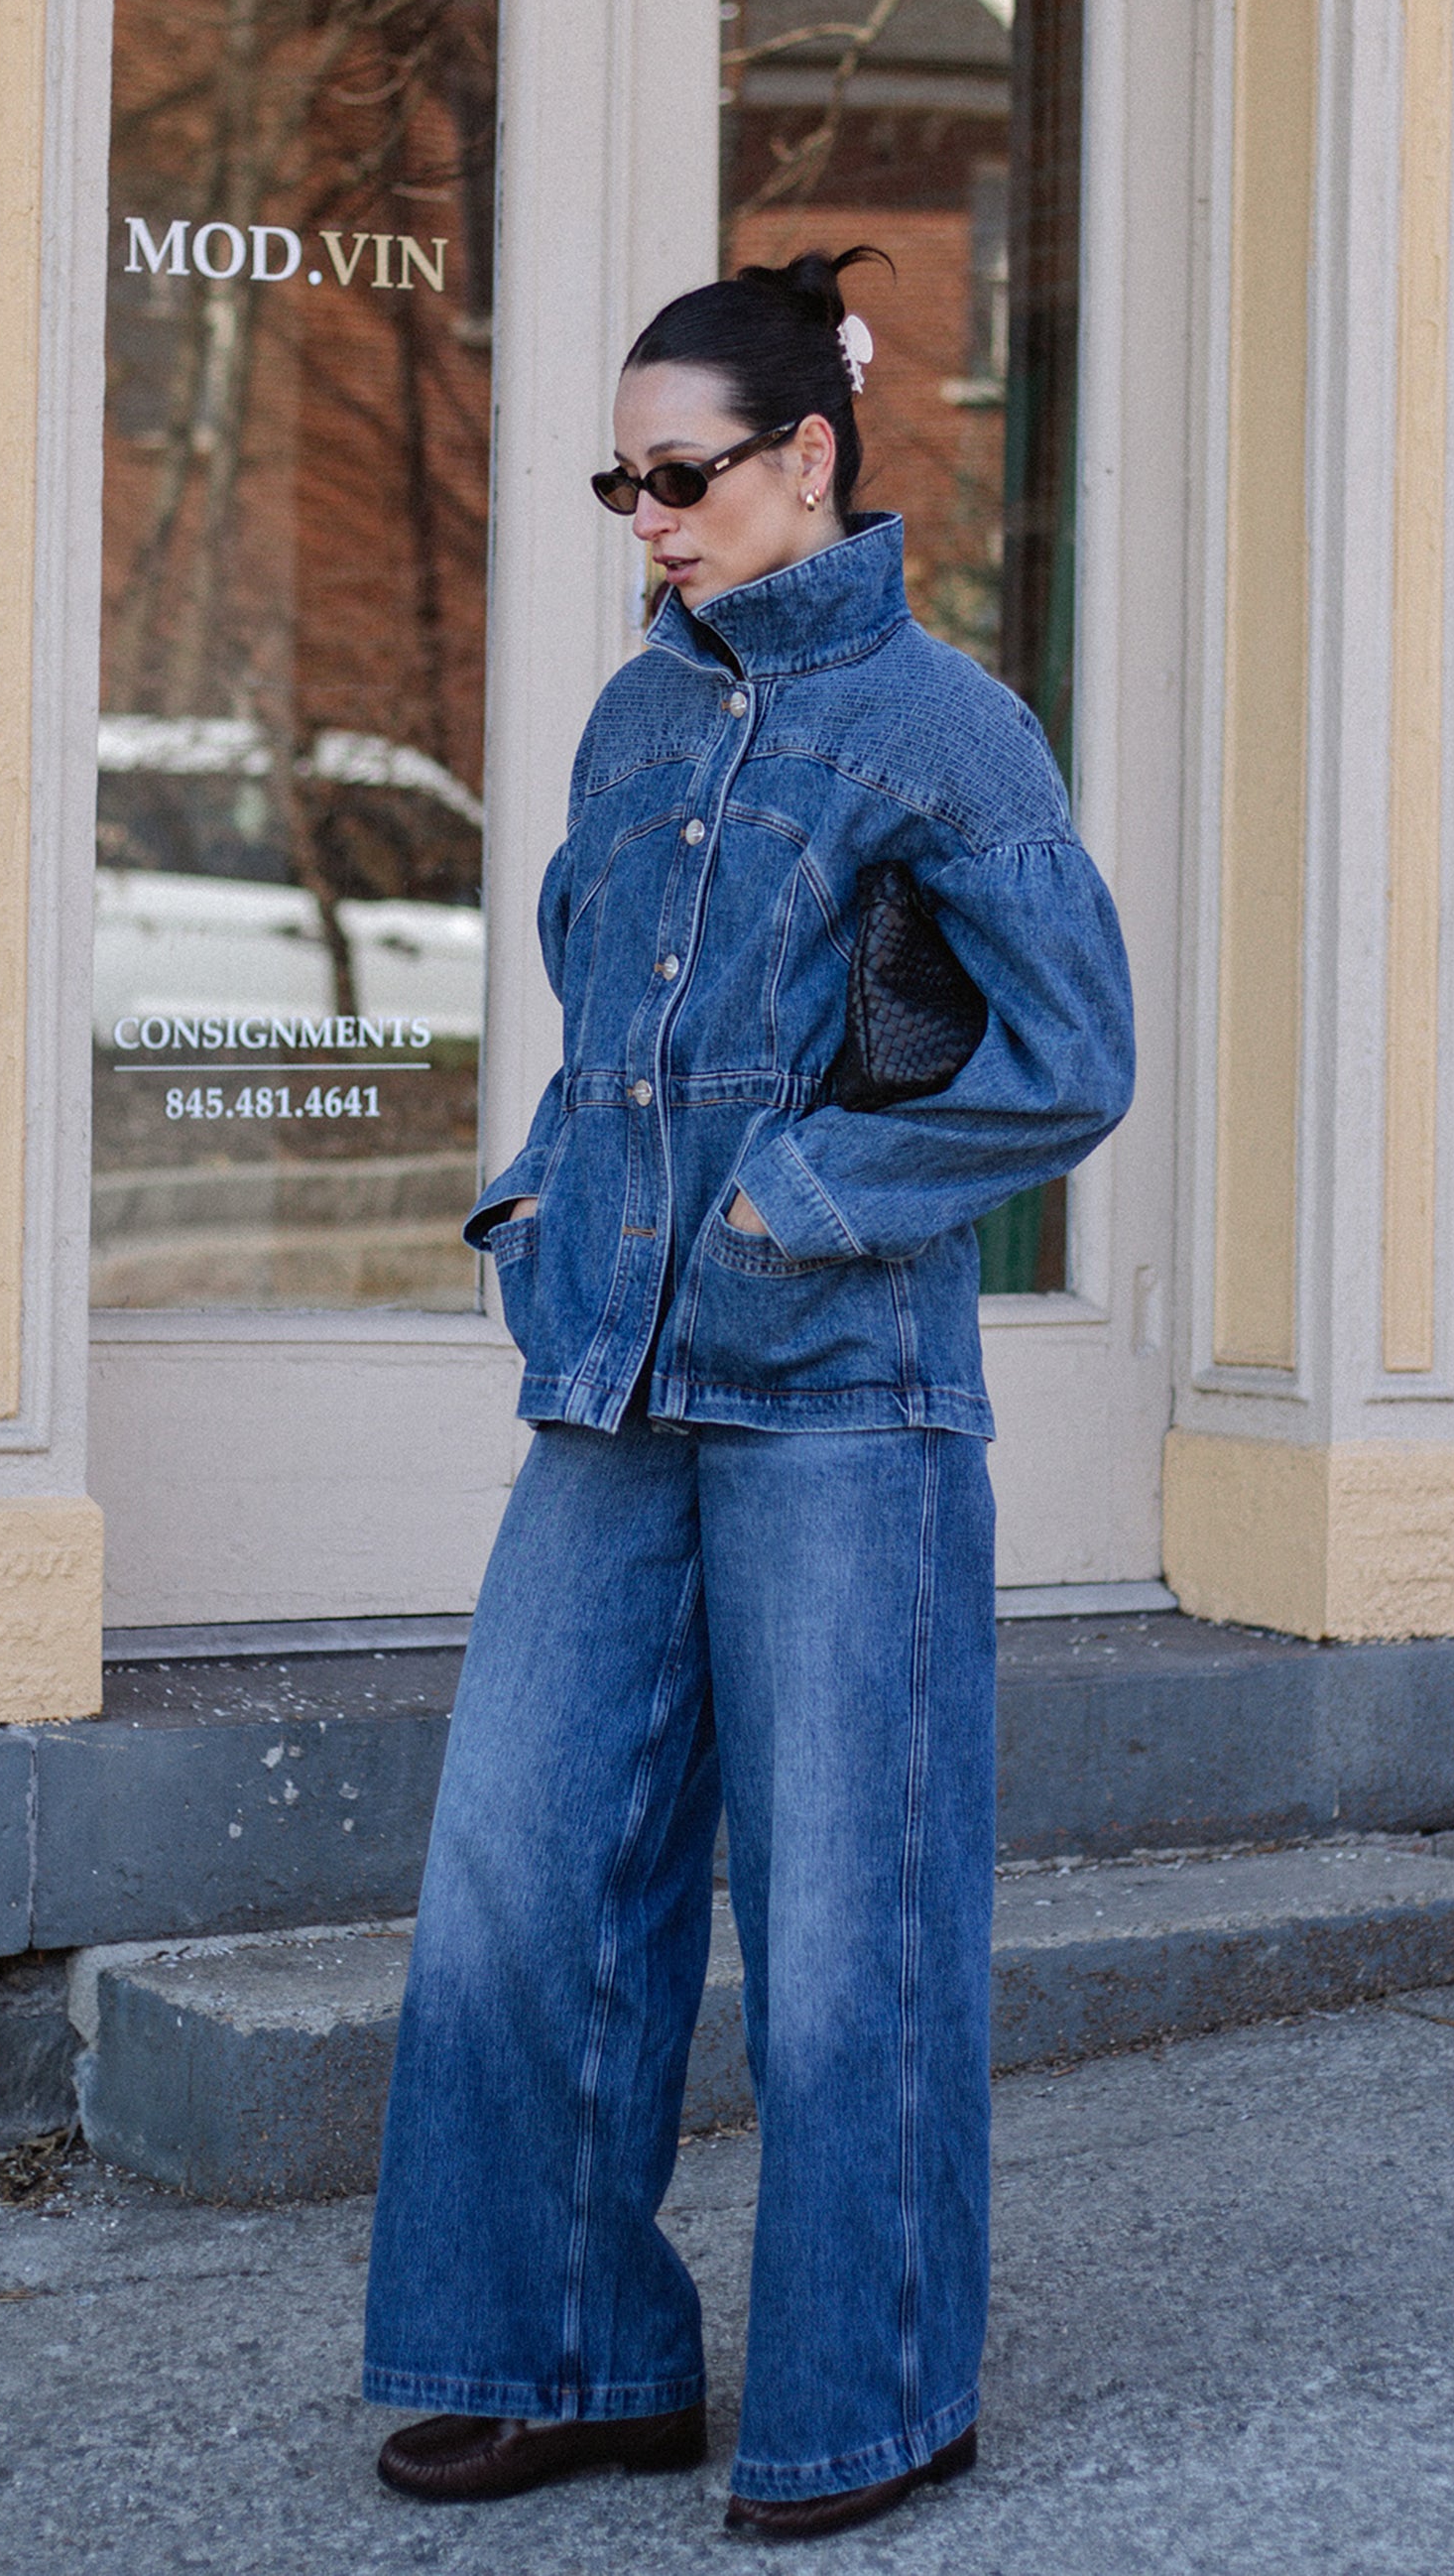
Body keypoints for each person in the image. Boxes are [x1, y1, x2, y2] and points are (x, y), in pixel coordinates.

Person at [363, 246, 1134, 2540]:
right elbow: (603, 1012)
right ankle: (563, 2356)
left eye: (684, 475)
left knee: (846, 1921)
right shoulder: (635, 717)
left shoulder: (945, 729)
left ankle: (870, 2390)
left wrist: (798, 1196)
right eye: (623, 481)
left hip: (839, 1408)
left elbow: (1067, 1064)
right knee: (518, 1879)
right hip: (605, 1388)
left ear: (812, 458)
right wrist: (537, 1203)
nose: (652, 519)